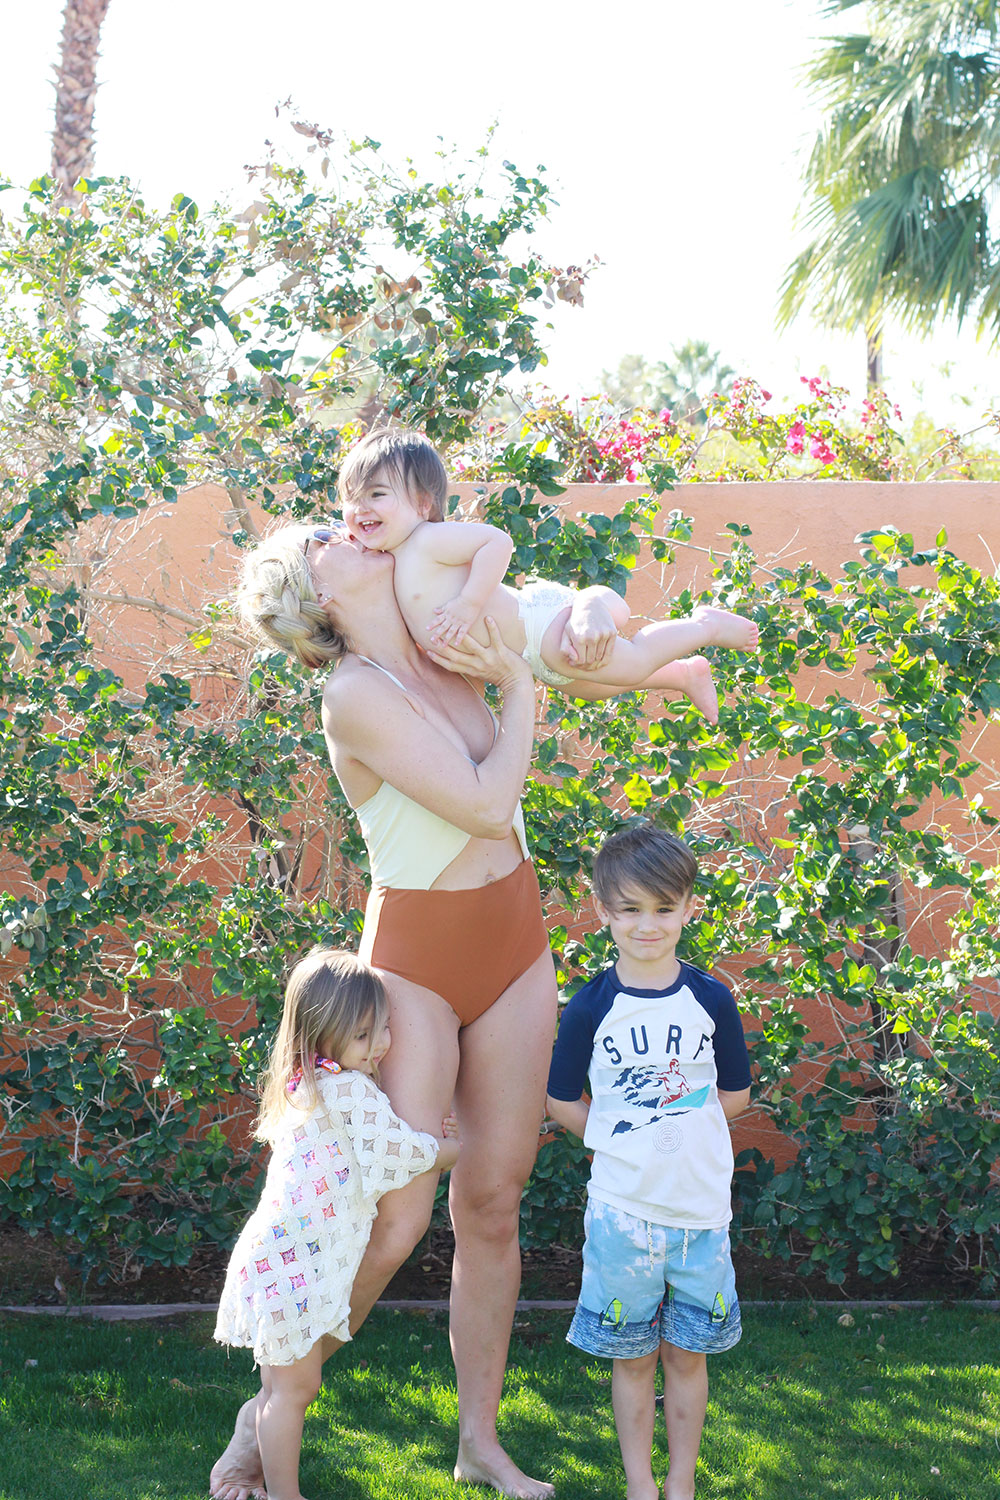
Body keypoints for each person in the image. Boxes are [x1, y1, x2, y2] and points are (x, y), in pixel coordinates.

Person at [213, 513, 574, 1499]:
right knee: (395, 1219)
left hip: (516, 937)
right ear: (316, 593)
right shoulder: (350, 695)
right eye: (325, 534)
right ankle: (268, 1411)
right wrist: (519, 685)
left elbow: (550, 630)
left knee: (493, 1201)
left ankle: (480, 1445)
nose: (355, 527)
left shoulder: (434, 634)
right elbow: (488, 805)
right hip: (414, 960)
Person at [545, 823, 752, 1500]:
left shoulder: (711, 1000)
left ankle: (681, 1484)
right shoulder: (590, 1007)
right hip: (621, 1216)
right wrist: (620, 1138)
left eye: (664, 909)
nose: (647, 926)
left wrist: (680, 1127)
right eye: (630, 910)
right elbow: (559, 1100)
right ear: (602, 910)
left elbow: (737, 1097)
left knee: (687, 1357)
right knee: (632, 1362)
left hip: (699, 1214)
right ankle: (640, 1486)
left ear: (689, 907)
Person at [213, 947, 458, 1500]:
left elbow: (367, 1149)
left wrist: (422, 1141)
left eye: (386, 1028)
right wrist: (447, 1149)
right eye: (365, 1034)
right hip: (294, 1265)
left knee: (284, 1388)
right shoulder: (346, 1088)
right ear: (323, 1033)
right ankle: (284, 1493)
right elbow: (396, 1152)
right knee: (295, 1390)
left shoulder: (307, 1083)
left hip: (277, 1258)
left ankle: (266, 1474)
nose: (382, 1045)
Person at [336, 428, 760, 724]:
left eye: (376, 494)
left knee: (631, 665)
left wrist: (468, 603)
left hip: (542, 630)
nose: (360, 509)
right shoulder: (388, 554)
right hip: (534, 656)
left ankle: (705, 625)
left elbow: (497, 542)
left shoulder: (426, 539)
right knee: (591, 687)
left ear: (425, 504)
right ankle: (684, 674)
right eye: (350, 499)